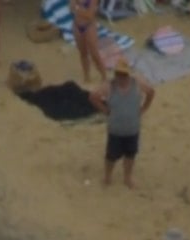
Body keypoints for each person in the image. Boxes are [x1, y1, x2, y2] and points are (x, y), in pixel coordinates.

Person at [89, 59, 155, 189]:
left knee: (130, 154)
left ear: (128, 74)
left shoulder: (137, 83)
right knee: (111, 156)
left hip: (132, 130)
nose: (121, 77)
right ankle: (108, 177)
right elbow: (93, 97)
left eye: (124, 74)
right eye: (118, 74)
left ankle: (127, 177)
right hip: (115, 130)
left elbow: (151, 92)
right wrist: (105, 110)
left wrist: (144, 108)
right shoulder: (109, 86)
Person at [71, 0, 105, 83]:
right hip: (77, 26)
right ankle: (87, 76)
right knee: (83, 53)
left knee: (94, 54)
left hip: (89, 26)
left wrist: (77, 8)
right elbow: (71, 8)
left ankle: (104, 76)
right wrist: (80, 9)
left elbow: (90, 15)